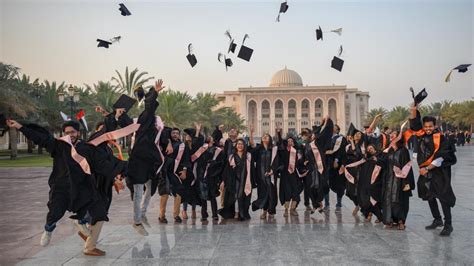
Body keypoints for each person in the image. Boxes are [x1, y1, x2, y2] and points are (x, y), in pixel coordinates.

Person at [9, 119, 108, 256]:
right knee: (55, 211)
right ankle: (48, 229)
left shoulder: (86, 148)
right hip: (61, 186)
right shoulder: (59, 145)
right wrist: (19, 126)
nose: (70, 135)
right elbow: (40, 138)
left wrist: (119, 173)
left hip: (82, 185)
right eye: (67, 133)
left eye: (73, 132)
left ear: (78, 132)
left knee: (93, 203)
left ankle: (81, 221)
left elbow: (102, 163)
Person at [408, 105, 457, 236]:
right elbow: (414, 124)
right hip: (425, 171)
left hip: (439, 173)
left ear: (435, 126)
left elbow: (442, 157)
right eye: (426, 126)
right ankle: (437, 219)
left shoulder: (441, 138)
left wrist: (427, 168)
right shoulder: (421, 135)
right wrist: (414, 108)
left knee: (443, 197)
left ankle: (448, 224)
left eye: (430, 126)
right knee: (429, 195)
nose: (428, 129)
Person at [126, 80, 166, 235]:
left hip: (148, 160)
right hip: (138, 161)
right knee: (137, 191)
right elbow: (149, 109)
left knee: (151, 186)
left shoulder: (147, 123)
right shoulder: (145, 119)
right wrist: (154, 93)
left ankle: (141, 214)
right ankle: (137, 221)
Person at [380, 130, 415, 230]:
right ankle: (389, 220)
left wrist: (406, 182)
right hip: (388, 179)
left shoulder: (403, 150)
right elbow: (383, 164)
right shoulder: (388, 150)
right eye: (391, 134)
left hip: (399, 180)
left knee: (399, 200)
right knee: (388, 200)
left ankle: (401, 221)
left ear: (399, 137)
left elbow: (407, 167)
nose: (391, 135)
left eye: (394, 134)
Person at [249, 127, 282, 220]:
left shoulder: (274, 149)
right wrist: (251, 133)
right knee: (262, 193)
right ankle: (264, 211)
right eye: (263, 136)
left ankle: (271, 211)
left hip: (271, 175)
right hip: (261, 176)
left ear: (270, 139)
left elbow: (277, 162)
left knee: (271, 193)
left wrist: (273, 170)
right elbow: (251, 145)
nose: (264, 137)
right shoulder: (259, 149)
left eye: (267, 136)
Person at [219, 138, 255, 221]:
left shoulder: (248, 156)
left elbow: (252, 168)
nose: (240, 145)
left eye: (242, 144)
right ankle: (236, 212)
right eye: (238, 144)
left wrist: (253, 180)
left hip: (245, 179)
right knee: (235, 196)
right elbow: (227, 170)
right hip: (234, 180)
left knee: (243, 197)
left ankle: (242, 213)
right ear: (236, 146)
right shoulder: (231, 157)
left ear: (244, 146)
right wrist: (223, 181)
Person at [304, 116, 333, 213]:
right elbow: (306, 155)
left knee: (320, 186)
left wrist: (325, 122)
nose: (313, 136)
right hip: (311, 169)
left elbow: (325, 132)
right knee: (311, 186)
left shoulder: (319, 143)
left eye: (314, 135)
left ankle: (319, 205)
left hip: (320, 168)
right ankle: (315, 205)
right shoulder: (307, 145)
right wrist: (305, 161)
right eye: (312, 135)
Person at [192, 135, 224, 221]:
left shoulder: (217, 150)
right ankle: (204, 215)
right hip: (201, 175)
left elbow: (221, 163)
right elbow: (195, 159)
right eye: (208, 136)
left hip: (212, 176)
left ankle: (214, 214)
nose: (209, 137)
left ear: (213, 141)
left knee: (212, 196)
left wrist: (214, 164)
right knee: (203, 196)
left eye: (211, 137)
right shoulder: (202, 148)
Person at [276, 128, 305, 217]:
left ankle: (293, 209)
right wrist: (279, 133)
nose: (290, 142)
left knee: (295, 193)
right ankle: (286, 209)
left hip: (295, 175)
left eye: (291, 141)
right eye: (288, 141)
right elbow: (280, 143)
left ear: (294, 142)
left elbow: (301, 162)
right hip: (285, 175)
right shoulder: (283, 151)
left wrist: (303, 170)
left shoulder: (298, 152)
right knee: (287, 192)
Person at [356, 144, 384, 223]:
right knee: (366, 200)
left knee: (373, 200)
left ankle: (379, 216)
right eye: (368, 149)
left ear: (375, 149)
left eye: (371, 148)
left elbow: (383, 166)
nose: (370, 150)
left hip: (375, 183)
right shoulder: (366, 159)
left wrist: (377, 160)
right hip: (365, 183)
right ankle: (376, 216)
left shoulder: (379, 156)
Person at [325, 124, 347, 210]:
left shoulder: (341, 139)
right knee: (325, 183)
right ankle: (326, 204)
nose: (332, 127)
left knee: (339, 184)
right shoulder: (327, 138)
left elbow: (341, 151)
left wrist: (336, 160)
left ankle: (339, 203)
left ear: (337, 130)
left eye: (334, 127)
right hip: (326, 163)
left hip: (336, 164)